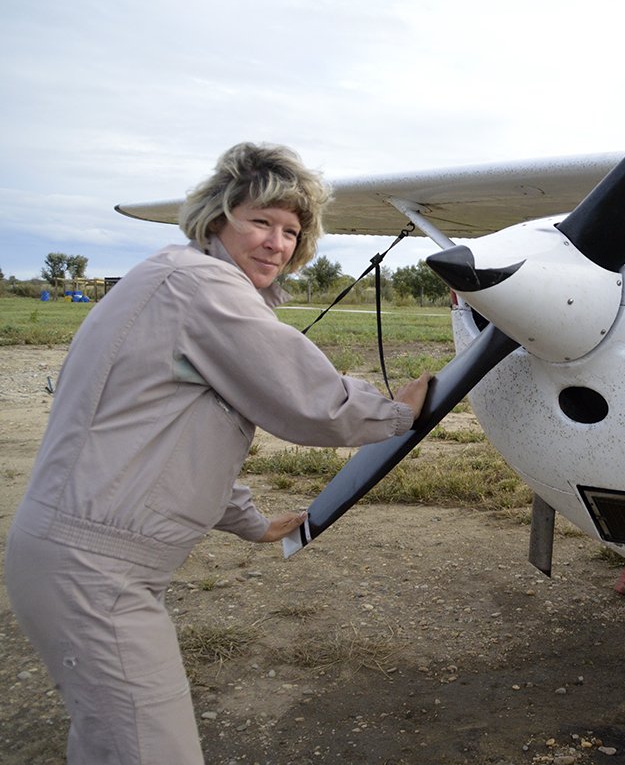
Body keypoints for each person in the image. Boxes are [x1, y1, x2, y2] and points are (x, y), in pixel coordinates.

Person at [4, 142, 431, 763]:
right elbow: (306, 399)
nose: (276, 243)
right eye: (259, 221)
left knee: (113, 744)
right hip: (95, 570)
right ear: (216, 218)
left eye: (291, 231)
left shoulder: (172, 279)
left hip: (81, 555)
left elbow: (174, 434)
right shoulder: (198, 283)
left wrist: (249, 521)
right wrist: (398, 412)